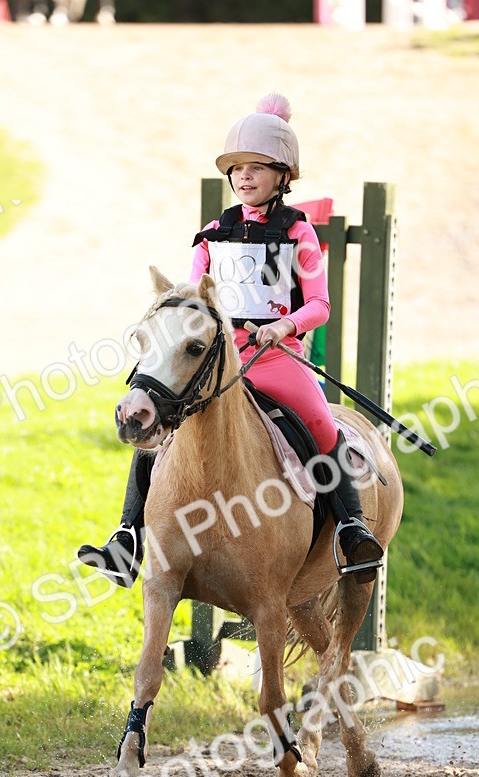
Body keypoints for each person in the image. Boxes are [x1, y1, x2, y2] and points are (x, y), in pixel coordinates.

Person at [78, 91, 384, 588]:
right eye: (237, 168)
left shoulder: (300, 234)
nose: (244, 176)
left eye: (257, 167)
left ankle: (350, 528)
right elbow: (195, 293)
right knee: (159, 419)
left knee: (320, 423)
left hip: (276, 357)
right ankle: (128, 536)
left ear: (282, 176)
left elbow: (320, 306)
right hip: (217, 359)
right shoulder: (212, 233)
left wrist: (283, 327)